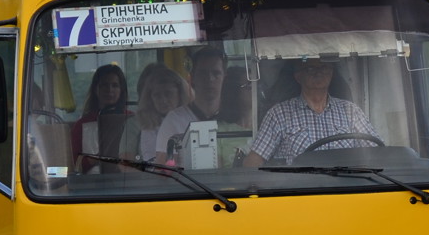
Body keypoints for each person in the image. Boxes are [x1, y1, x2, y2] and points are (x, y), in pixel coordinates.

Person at [244, 58, 379, 167]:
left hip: (346, 190)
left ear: (331, 73)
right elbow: (253, 162)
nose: (318, 73)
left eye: (324, 68)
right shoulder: (278, 114)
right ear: (298, 76)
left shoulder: (351, 111)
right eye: (310, 68)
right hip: (297, 193)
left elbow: (376, 154)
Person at [153, 47, 229, 164]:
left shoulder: (233, 118)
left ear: (225, 77)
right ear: (192, 77)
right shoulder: (174, 120)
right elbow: (165, 170)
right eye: (203, 73)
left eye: (216, 73)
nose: (209, 79)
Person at [73, 63, 135, 173]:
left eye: (115, 85)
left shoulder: (133, 120)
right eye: (104, 85)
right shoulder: (82, 125)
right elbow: (70, 165)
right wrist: (94, 160)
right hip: (92, 186)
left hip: (129, 182)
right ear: (96, 89)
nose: (109, 90)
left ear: (122, 90)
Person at [132, 62, 190, 165]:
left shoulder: (191, 117)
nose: (163, 100)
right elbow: (152, 163)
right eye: (157, 95)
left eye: (168, 93)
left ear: (180, 93)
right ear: (150, 99)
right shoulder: (148, 126)